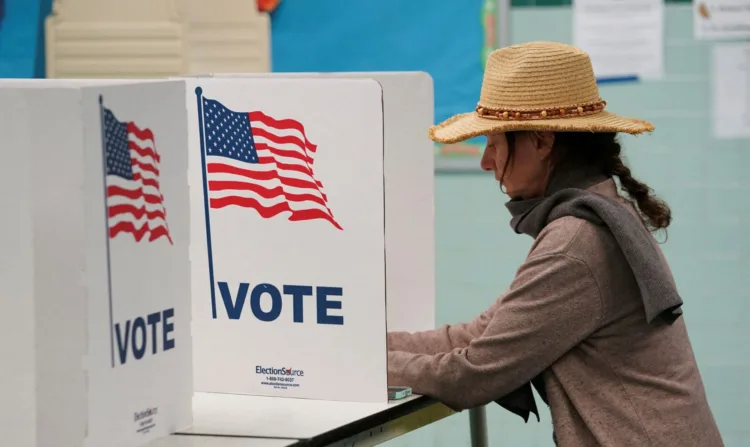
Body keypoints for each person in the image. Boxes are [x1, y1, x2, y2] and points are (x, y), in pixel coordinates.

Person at [387, 42, 723, 446]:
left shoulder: (576, 243)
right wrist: (367, 347)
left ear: (542, 141)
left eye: (494, 143)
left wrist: (362, 366)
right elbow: (481, 334)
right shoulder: (596, 213)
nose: (486, 161)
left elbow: (474, 374)